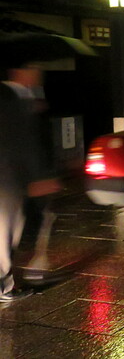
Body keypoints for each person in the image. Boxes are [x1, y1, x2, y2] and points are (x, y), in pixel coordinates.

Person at [0, 65, 47, 304]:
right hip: (7, 177)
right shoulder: (14, 100)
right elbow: (23, 143)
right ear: (19, 71)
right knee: (6, 229)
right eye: (34, 69)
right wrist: (38, 177)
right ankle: (3, 287)